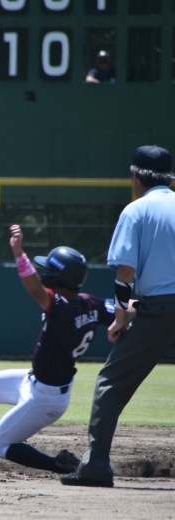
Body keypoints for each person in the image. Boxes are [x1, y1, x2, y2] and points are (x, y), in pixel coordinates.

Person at [0, 225, 115, 474]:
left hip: (46, 398)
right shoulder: (90, 303)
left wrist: (19, 253)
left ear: (56, 277)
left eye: (48, 270)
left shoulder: (61, 308)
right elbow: (126, 306)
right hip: (35, 382)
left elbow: (33, 287)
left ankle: (61, 466)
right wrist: (149, 308)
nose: (43, 273)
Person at [61, 145, 175, 488]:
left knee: (109, 386)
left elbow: (126, 273)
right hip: (158, 305)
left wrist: (121, 316)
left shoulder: (136, 211)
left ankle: (96, 466)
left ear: (136, 177)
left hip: (159, 310)